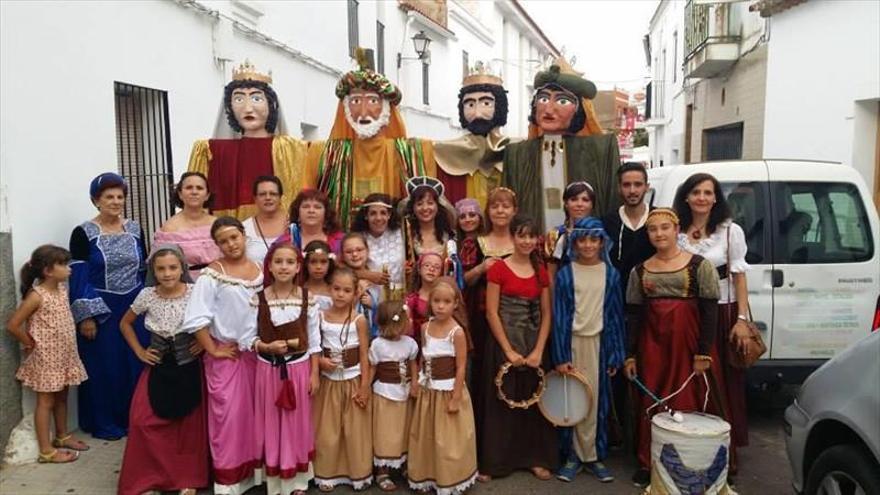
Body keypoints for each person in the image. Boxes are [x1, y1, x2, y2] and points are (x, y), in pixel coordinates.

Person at [623, 208, 724, 487]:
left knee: (687, 399)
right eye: (653, 229)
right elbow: (633, 315)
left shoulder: (699, 266)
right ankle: (650, 461)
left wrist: (704, 351)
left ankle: (694, 461)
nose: (659, 234)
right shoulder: (639, 271)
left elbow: (709, 311)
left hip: (688, 345)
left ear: (676, 229)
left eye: (664, 227)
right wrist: (630, 354)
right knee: (651, 400)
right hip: (652, 345)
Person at [674, 172, 752, 478]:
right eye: (696, 192)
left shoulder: (730, 232)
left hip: (721, 312)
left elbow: (740, 276)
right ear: (687, 197)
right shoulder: (676, 229)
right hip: (687, 312)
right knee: (689, 380)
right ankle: (689, 448)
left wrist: (742, 320)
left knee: (721, 383)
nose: (702, 198)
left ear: (716, 197)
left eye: (708, 192)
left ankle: (724, 456)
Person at [305, 49, 435, 227]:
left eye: (373, 101)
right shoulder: (326, 153)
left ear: (387, 107)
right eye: (356, 101)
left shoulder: (404, 151)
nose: (364, 112)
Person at [117, 245, 208, 495]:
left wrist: (203, 342)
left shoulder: (195, 292)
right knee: (143, 421)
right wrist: (138, 351)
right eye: (161, 269)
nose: (167, 273)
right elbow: (125, 323)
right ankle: (150, 477)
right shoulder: (147, 295)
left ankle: (186, 478)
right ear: (153, 271)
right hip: (158, 366)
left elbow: (214, 318)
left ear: (182, 268)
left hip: (188, 366)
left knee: (188, 427)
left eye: (172, 267)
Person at [181, 216, 263, 493]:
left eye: (234, 237)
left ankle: (257, 475)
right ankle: (230, 481)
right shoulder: (211, 275)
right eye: (223, 241)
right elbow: (195, 319)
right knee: (228, 418)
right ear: (217, 245)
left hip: (258, 356)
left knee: (257, 417)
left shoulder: (261, 270)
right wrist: (213, 348)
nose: (231, 244)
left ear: (244, 236)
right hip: (228, 357)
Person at [68, 172, 146, 440]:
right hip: (101, 308)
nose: (115, 201)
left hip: (133, 306)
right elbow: (78, 275)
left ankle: (133, 419)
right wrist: (86, 316)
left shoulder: (135, 228)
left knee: (133, 363)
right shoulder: (83, 233)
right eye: (108, 197)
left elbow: (143, 267)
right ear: (96, 200)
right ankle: (103, 422)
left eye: (120, 196)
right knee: (104, 366)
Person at [503, 58, 620, 231]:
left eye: (562, 101)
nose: (549, 110)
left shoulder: (601, 150)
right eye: (543, 99)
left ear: (579, 109)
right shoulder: (516, 154)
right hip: (531, 248)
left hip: (583, 249)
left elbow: (613, 204)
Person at [480, 215, 556, 480]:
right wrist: (508, 351)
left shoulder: (541, 271)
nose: (526, 241)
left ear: (537, 240)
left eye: (531, 236)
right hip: (503, 342)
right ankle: (495, 463)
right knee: (502, 404)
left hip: (533, 342)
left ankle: (535, 459)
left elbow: (547, 314)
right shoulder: (498, 269)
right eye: (521, 235)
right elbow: (491, 312)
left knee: (533, 402)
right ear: (512, 237)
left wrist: (537, 351)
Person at [551, 217, 626, 483]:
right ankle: (572, 456)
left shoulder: (611, 274)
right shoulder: (565, 274)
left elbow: (616, 316)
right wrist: (560, 356)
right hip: (571, 344)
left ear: (601, 241)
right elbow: (559, 316)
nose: (588, 245)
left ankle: (593, 456)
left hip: (599, 345)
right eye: (582, 239)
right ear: (574, 242)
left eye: (594, 239)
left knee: (596, 402)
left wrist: (616, 352)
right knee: (573, 400)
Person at [188, 60, 307, 219]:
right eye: (238, 99)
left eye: (256, 99)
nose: (247, 108)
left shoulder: (290, 149)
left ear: (271, 105)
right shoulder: (211, 151)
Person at [7, 245, 88, 464]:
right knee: (45, 402)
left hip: (64, 355)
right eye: (62, 264)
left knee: (62, 396)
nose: (68, 268)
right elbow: (13, 325)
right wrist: (29, 343)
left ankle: (62, 436)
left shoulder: (62, 289)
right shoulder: (37, 295)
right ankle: (46, 450)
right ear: (47, 271)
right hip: (46, 358)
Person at [253, 242, 321, 495]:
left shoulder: (307, 298)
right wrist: (266, 346)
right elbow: (248, 337)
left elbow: (314, 341)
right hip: (268, 371)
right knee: (271, 421)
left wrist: (314, 373)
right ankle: (274, 480)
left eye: (289, 262)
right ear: (269, 266)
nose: (283, 267)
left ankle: (297, 480)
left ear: (297, 267)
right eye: (278, 262)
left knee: (296, 422)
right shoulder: (258, 298)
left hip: (298, 369)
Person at [407, 278, 478, 494]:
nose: (440, 306)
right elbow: (422, 358)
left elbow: (461, 366)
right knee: (427, 435)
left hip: (448, 390)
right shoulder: (425, 327)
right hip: (429, 390)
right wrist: (418, 381)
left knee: (448, 439)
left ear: (455, 304)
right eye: (436, 301)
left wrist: (456, 396)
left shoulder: (456, 332)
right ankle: (426, 475)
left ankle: (450, 479)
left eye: (446, 302)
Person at [312, 267, 373, 491]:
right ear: (329, 289)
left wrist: (365, 386)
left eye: (346, 290)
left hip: (353, 380)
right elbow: (314, 348)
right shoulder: (320, 317)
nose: (340, 294)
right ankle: (327, 473)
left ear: (355, 293)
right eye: (336, 289)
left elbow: (365, 355)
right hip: (329, 381)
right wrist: (320, 363)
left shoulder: (359, 320)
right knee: (328, 430)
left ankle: (357, 473)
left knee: (355, 430)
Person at [435, 61, 511, 207]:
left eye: (486, 104)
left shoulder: (517, 150)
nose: (477, 113)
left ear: (500, 106)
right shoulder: (447, 151)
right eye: (470, 105)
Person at [369, 301, 419, 492]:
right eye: (393, 327)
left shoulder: (410, 343)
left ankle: (404, 465)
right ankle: (382, 470)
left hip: (404, 393)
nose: (397, 332)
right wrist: (365, 389)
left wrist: (414, 383)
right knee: (384, 432)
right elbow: (372, 369)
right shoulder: (378, 345)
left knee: (404, 430)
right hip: (384, 394)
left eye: (400, 327)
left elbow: (413, 364)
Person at [154, 172, 220, 279]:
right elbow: (161, 264)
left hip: (219, 281)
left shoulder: (217, 225)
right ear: (180, 194)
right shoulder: (170, 229)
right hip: (186, 285)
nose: (194, 192)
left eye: (199, 188)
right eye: (189, 187)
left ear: (207, 195)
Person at [602, 162, 654, 292]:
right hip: (617, 300)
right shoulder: (607, 222)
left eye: (638, 184)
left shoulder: (658, 219)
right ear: (619, 188)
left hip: (652, 300)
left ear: (647, 187)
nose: (632, 190)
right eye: (626, 185)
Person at [350, 193, 406, 301]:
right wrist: (368, 275)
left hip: (401, 296)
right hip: (369, 297)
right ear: (366, 215)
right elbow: (341, 269)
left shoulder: (403, 233)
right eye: (373, 213)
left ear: (389, 214)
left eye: (383, 213)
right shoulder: (357, 238)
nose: (378, 218)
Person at [546, 181, 597, 283]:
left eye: (585, 200)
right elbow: (551, 275)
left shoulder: (600, 233)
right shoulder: (555, 235)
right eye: (574, 199)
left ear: (592, 205)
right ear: (566, 204)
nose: (579, 204)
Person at [276, 189, 344, 259]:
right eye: (306, 207)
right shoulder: (283, 242)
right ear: (297, 212)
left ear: (326, 213)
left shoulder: (341, 241)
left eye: (317, 207)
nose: (311, 211)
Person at [243, 175, 291, 266]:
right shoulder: (244, 228)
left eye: (273, 194)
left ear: (280, 197)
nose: (268, 198)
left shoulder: (294, 224)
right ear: (255, 198)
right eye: (262, 194)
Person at [340, 232, 380, 337]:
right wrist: (358, 293)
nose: (355, 255)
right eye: (349, 252)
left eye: (359, 250)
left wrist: (373, 304)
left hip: (374, 332)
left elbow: (383, 307)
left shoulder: (376, 277)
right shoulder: (341, 279)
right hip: (350, 333)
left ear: (367, 251)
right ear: (343, 256)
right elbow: (340, 309)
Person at [405, 253, 444, 344]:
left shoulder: (445, 298)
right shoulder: (411, 299)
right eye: (427, 265)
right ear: (419, 269)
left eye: (437, 267)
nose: (431, 269)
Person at [302, 240, 335, 311]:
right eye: (313, 262)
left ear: (330, 263)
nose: (318, 267)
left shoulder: (335, 290)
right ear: (306, 263)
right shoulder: (298, 289)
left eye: (323, 262)